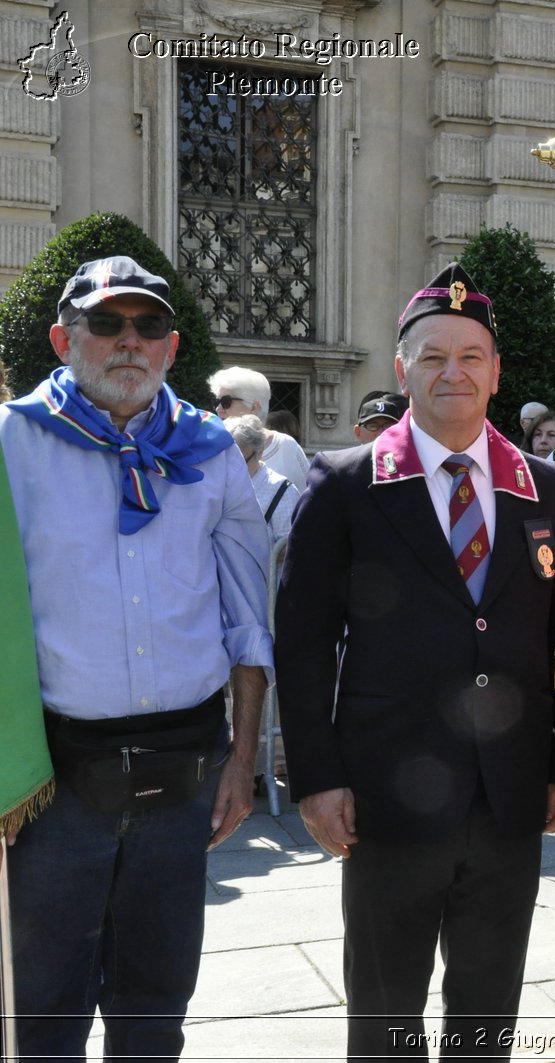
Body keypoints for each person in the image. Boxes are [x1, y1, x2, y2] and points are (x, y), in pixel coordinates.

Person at [275, 263, 555, 1058]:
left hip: (508, 796)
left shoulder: (543, 487)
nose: (455, 372)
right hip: (384, 799)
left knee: (487, 1019)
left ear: (496, 371)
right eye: (435, 356)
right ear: (402, 365)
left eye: (472, 356)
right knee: (385, 1020)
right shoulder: (345, 484)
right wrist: (315, 775)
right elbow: (303, 638)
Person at [1, 255, 271, 1060]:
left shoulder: (211, 449)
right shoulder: (12, 442)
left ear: (171, 344)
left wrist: (243, 756)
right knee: (42, 1011)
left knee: (155, 1008)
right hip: (53, 780)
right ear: (63, 338)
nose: (129, 341)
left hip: (184, 773)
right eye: (106, 323)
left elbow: (248, 619)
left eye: (148, 325)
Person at [208, 365, 310, 488]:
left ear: (254, 407)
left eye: (226, 402)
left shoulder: (285, 446)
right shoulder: (209, 445)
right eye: (216, 401)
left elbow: (308, 495)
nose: (218, 409)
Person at [225, 413, 299, 544]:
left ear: (260, 452)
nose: (232, 467)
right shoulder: (218, 484)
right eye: (226, 459)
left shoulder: (282, 491)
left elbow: (291, 547)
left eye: (240, 461)